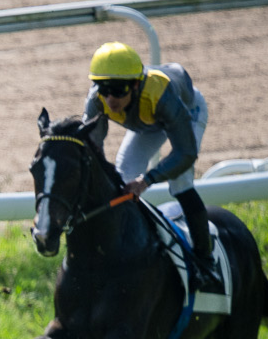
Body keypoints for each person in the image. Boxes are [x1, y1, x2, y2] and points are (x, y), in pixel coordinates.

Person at [83, 41, 218, 289]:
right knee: (124, 179)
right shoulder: (96, 99)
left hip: (185, 113)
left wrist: (147, 180)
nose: (110, 98)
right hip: (147, 123)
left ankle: (205, 261)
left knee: (180, 182)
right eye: (104, 88)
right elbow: (93, 148)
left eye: (118, 90)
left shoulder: (160, 93)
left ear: (135, 84)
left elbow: (185, 153)